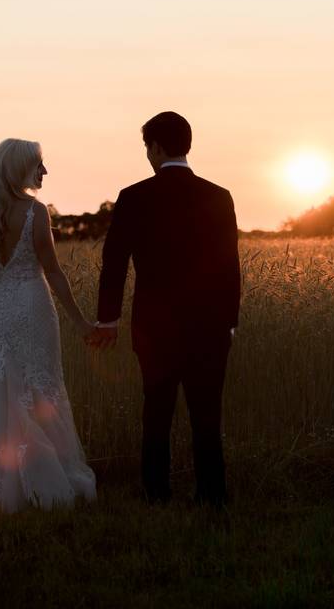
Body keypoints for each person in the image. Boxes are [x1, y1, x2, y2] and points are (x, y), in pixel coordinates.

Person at [88, 112, 241, 507]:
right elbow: (229, 265)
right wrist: (230, 323)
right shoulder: (218, 196)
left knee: (156, 412)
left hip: (154, 327)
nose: (147, 156)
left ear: (156, 147)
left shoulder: (134, 196)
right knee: (207, 417)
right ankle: (212, 495)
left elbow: (115, 263)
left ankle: (155, 494)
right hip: (210, 327)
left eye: (146, 148)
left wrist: (109, 319)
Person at [0, 138, 97, 512]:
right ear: (20, 169)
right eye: (39, 165)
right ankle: (47, 482)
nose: (44, 172)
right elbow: (54, 272)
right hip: (33, 306)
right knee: (40, 386)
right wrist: (80, 322)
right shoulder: (36, 212)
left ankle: (2, 483)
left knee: (2, 386)